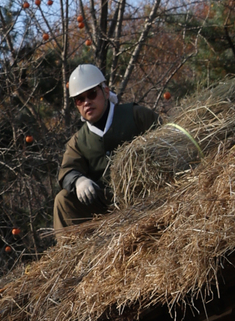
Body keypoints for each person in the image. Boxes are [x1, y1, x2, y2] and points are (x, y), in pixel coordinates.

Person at [53, 64, 159, 232]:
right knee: (63, 200)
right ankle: (72, 253)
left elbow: (169, 138)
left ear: (106, 91)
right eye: (80, 99)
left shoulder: (136, 115)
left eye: (92, 94)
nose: (87, 102)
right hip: (105, 206)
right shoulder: (78, 141)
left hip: (147, 195)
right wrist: (78, 181)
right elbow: (67, 171)